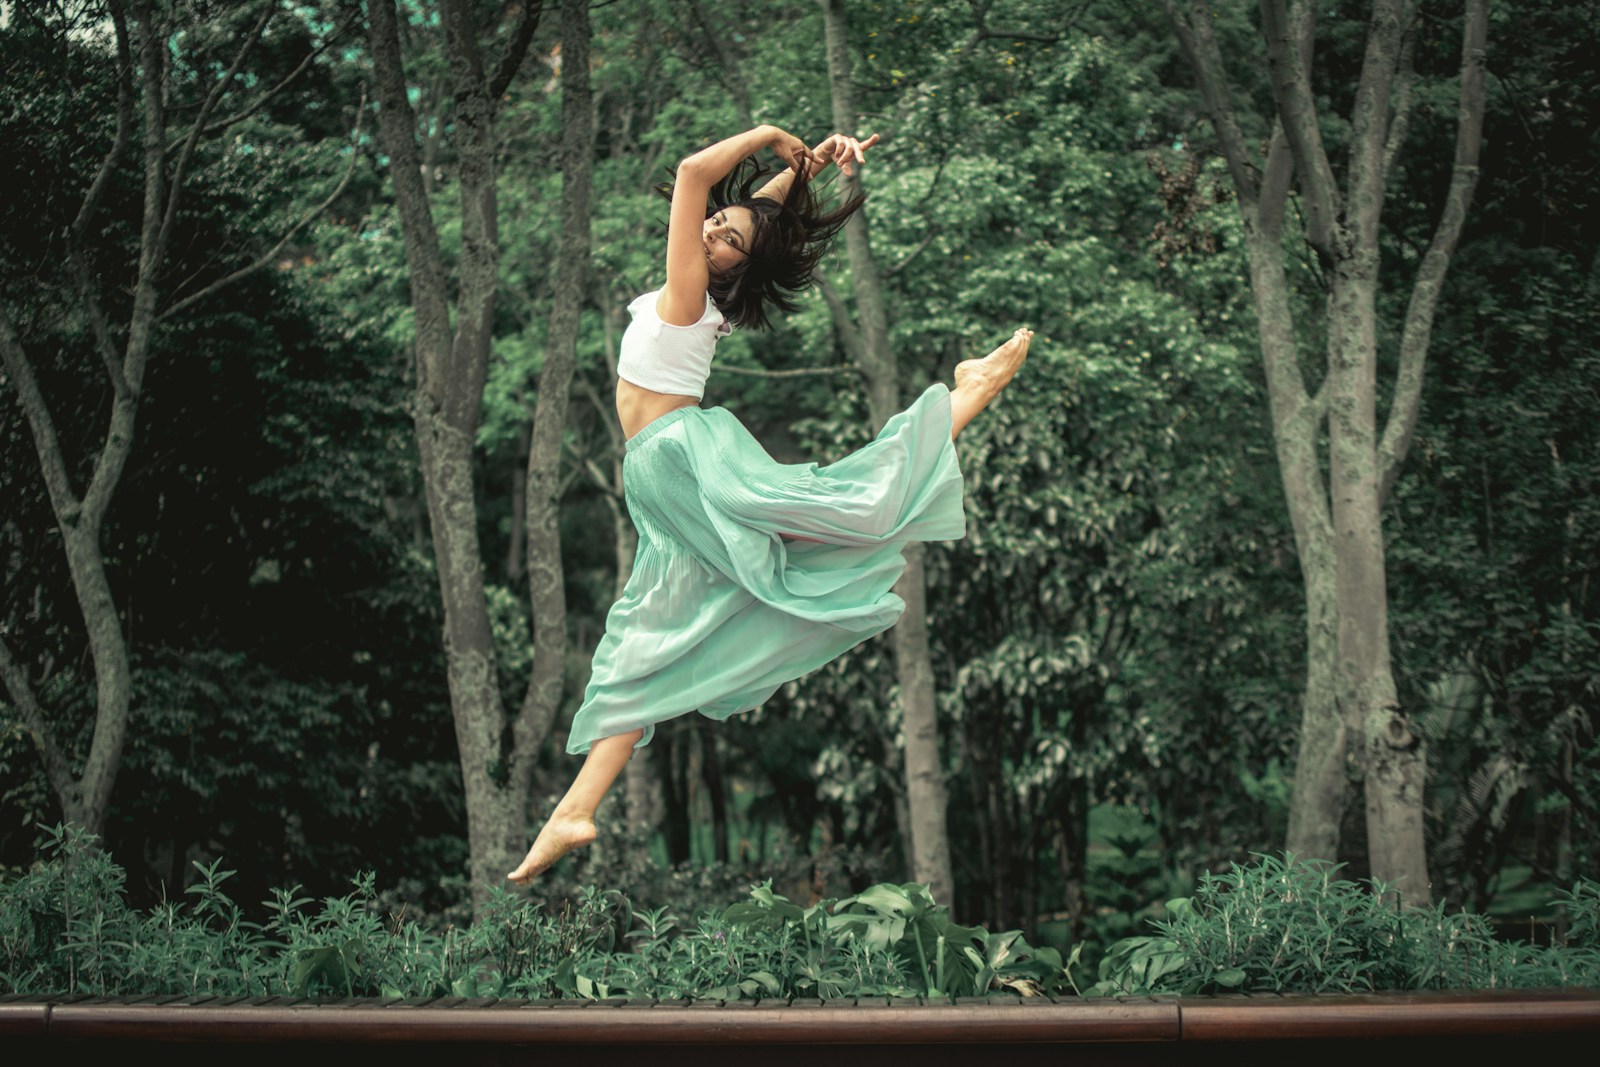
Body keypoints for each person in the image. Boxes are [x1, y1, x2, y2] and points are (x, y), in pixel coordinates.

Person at [508, 125, 1029, 884]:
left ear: (726, 271)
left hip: (685, 457)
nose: (714, 225)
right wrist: (807, 162)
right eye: (718, 223)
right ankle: (574, 809)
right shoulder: (707, 279)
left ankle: (966, 395)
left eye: (725, 238)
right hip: (660, 481)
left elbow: (692, 174)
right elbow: (752, 207)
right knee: (643, 638)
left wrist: (770, 135)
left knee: (828, 512)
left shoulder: (689, 297)